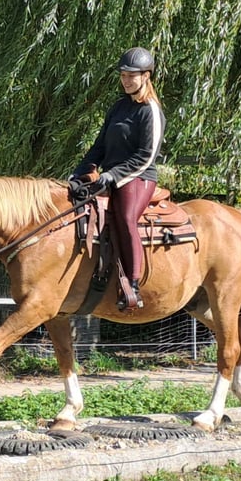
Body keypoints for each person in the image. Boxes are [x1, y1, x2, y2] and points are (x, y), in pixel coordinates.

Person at [69, 46, 166, 310]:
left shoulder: (150, 111)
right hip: (110, 177)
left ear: (146, 76)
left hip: (137, 177)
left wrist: (113, 176)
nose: (125, 80)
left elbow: (146, 156)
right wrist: (81, 171)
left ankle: (132, 285)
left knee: (125, 217)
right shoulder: (118, 107)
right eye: (123, 75)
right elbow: (99, 146)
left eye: (131, 75)